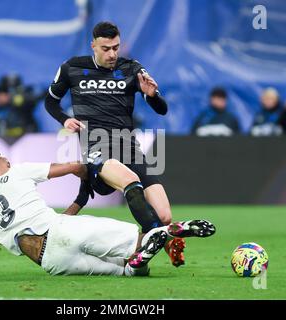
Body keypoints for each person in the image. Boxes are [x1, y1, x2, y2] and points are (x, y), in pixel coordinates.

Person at [45, 21, 187, 267]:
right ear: (94, 45)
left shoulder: (131, 68)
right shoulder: (72, 68)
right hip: (97, 150)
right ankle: (160, 241)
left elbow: (162, 110)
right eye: (106, 48)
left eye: (116, 47)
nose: (112, 54)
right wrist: (65, 119)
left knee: (164, 215)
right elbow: (50, 102)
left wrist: (152, 95)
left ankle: (147, 245)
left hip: (129, 148)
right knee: (130, 182)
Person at [0, 148, 216, 276]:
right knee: (136, 243)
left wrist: (79, 201)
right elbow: (71, 167)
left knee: (128, 271)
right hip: (61, 229)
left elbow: (36, 229)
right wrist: (88, 171)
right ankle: (165, 233)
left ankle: (143, 256)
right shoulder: (17, 172)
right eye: (4, 161)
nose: (9, 162)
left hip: (53, 261)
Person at [0, 74, 46, 144]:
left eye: (4, 93)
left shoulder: (24, 105)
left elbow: (43, 93)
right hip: (3, 145)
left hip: (28, 142)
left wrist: (20, 98)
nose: (0, 98)